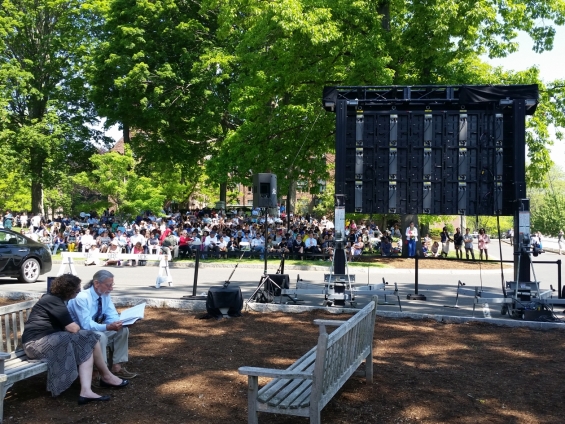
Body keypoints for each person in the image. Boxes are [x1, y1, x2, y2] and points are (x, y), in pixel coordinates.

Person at [22, 274, 127, 404]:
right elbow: (73, 328)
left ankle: (87, 391)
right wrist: (75, 327)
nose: (79, 292)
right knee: (88, 336)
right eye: (77, 290)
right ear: (68, 290)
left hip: (50, 339)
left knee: (89, 338)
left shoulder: (58, 300)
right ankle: (106, 376)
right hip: (35, 344)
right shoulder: (52, 300)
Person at [68, 270, 138, 383]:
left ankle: (117, 366)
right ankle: (100, 372)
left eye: (112, 285)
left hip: (92, 331)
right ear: (96, 284)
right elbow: (86, 325)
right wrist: (108, 327)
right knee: (100, 336)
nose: (111, 288)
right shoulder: (82, 298)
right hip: (78, 333)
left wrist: (122, 322)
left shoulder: (105, 295)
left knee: (122, 330)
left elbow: (112, 315)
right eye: (108, 285)